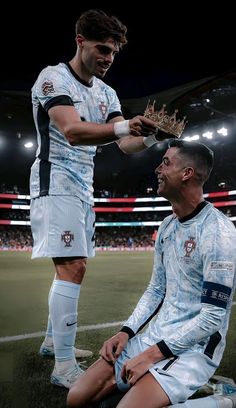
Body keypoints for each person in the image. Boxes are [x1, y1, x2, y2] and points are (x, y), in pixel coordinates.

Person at [30, 9, 170, 389]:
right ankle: (62, 366)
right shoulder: (53, 77)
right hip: (55, 181)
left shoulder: (107, 92)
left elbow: (124, 144)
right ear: (80, 41)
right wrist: (124, 125)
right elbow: (72, 130)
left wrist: (155, 137)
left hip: (82, 188)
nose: (108, 59)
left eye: (113, 54)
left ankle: (50, 343)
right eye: (103, 50)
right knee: (73, 268)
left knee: (71, 268)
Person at [67, 139, 236, 408]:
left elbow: (212, 316)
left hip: (195, 348)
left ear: (187, 174)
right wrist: (126, 332)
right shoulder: (167, 226)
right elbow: (156, 289)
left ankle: (223, 401)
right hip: (157, 335)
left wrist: (152, 356)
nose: (158, 168)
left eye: (166, 162)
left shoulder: (219, 232)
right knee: (76, 398)